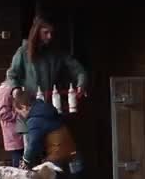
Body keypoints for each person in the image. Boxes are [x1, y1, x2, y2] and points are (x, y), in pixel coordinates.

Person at [7, 14, 88, 150]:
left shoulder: (57, 53)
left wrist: (81, 85)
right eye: (46, 32)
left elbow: (79, 70)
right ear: (36, 32)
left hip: (51, 113)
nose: (50, 36)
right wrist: (16, 91)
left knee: (55, 157)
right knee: (32, 158)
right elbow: (12, 74)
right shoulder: (23, 52)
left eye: (51, 33)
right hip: (30, 114)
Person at [13, 90, 77, 179]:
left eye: (19, 112)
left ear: (24, 107)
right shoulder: (44, 108)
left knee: (49, 178)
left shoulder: (35, 119)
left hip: (57, 149)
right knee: (56, 176)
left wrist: (25, 160)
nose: (20, 116)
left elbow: (33, 144)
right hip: (66, 145)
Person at [0, 71, 24, 167]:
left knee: (20, 157)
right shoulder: (6, 89)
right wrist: (19, 114)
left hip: (18, 129)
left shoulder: (12, 88)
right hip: (13, 130)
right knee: (18, 158)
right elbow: (3, 113)